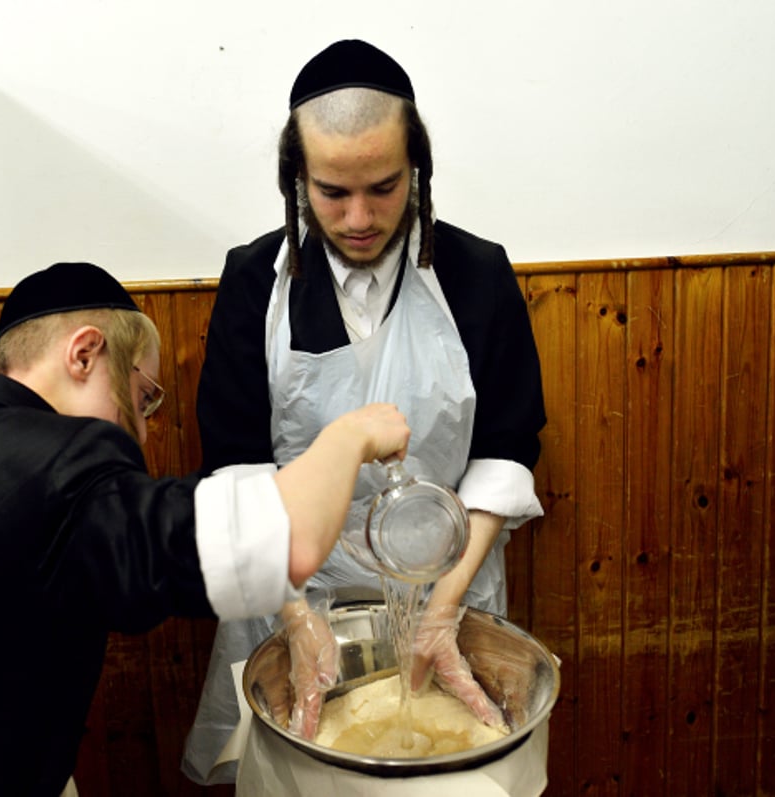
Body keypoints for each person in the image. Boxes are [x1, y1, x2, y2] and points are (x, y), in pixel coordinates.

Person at [0, 261, 410, 797]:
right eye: (144, 396)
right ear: (85, 353)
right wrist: (350, 436)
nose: (144, 424)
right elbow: (283, 539)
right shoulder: (68, 462)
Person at [182, 39, 547, 784]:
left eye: (383, 188)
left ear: (418, 168)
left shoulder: (475, 274)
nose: (357, 217)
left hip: (449, 592)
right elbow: (239, 466)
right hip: (293, 600)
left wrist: (442, 613)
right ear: (296, 178)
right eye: (330, 192)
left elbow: (506, 450)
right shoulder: (256, 282)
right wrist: (295, 622)